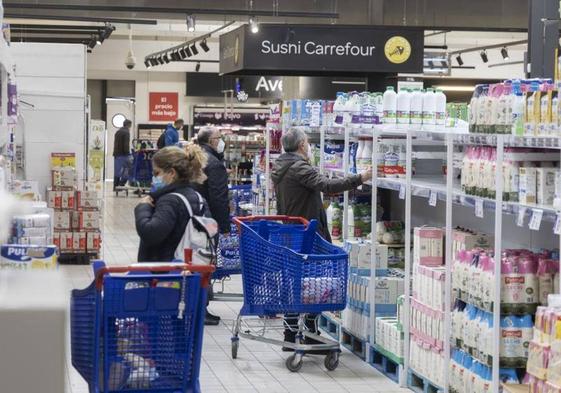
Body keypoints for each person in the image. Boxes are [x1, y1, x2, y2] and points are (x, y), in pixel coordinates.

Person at [271, 127, 372, 349]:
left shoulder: (281, 165)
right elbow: (327, 186)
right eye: (307, 143)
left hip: (292, 232)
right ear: (301, 145)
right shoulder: (298, 167)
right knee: (314, 282)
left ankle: (292, 334)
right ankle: (309, 333)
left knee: (296, 282)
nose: (308, 146)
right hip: (307, 234)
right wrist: (360, 178)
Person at [134, 145, 219, 326]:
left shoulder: (170, 200)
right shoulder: (196, 196)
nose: (154, 178)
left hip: (165, 275)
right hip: (188, 275)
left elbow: (151, 233)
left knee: (160, 331)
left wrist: (143, 207)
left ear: (171, 173)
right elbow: (212, 231)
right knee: (179, 330)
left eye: (156, 173)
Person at [192, 126, 230, 325]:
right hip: (208, 221)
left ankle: (199, 305)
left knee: (198, 262)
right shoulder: (214, 164)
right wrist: (224, 226)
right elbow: (218, 197)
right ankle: (201, 308)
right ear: (212, 141)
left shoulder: (197, 158)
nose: (221, 140)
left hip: (195, 218)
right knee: (204, 263)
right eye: (219, 137)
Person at [113, 119, 132, 191]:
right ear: (129, 125)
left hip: (116, 154)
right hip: (123, 155)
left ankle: (115, 187)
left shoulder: (118, 131)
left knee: (117, 171)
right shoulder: (126, 132)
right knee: (130, 168)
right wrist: (128, 154)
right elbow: (126, 145)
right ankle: (121, 185)